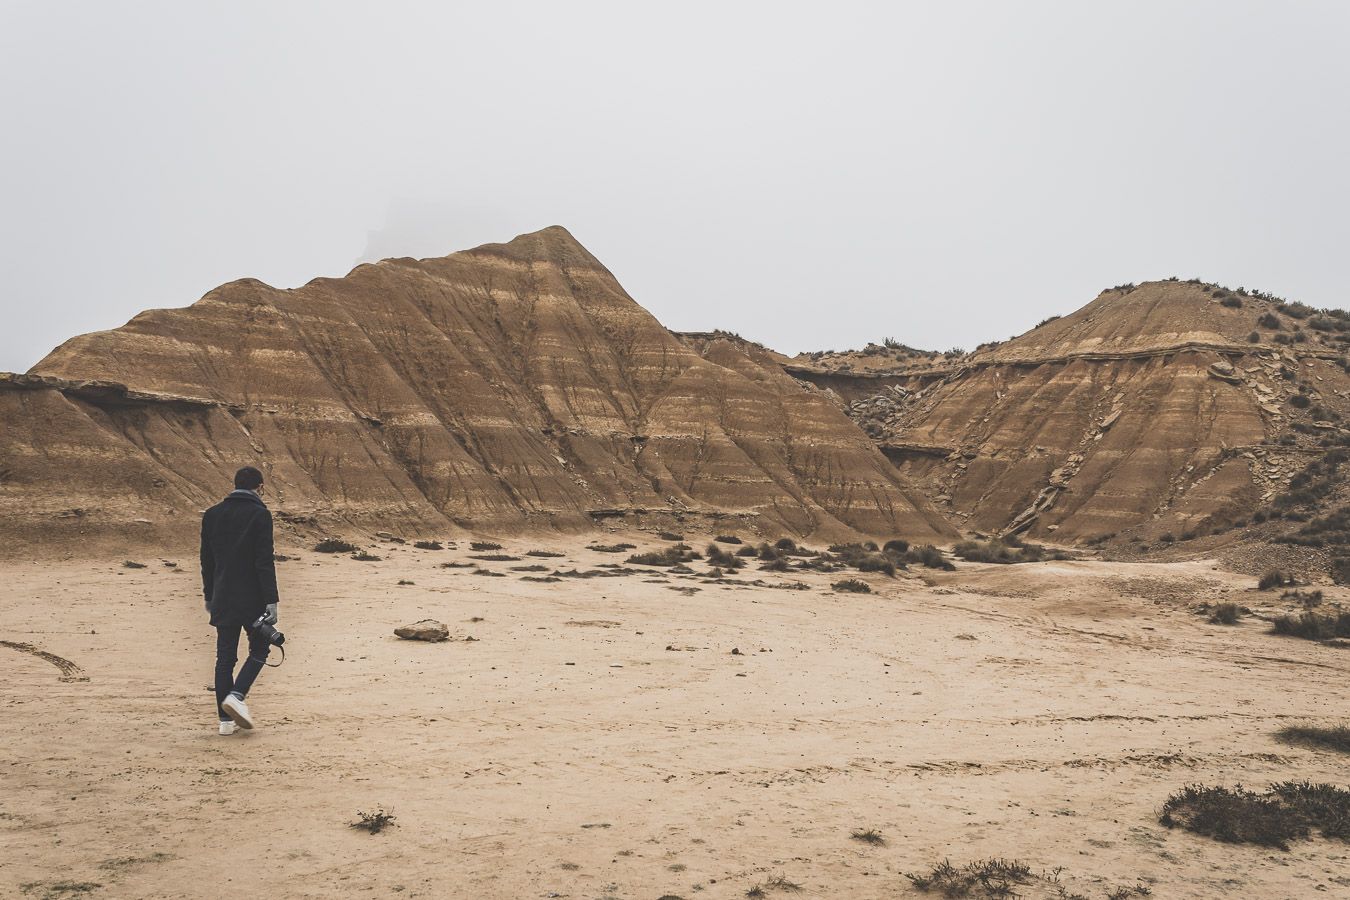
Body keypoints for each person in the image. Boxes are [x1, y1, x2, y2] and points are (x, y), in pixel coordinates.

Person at [200, 466, 279, 734]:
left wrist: (209, 595)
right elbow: (263, 561)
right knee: (259, 649)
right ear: (259, 487)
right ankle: (237, 695)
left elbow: (206, 561)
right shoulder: (260, 514)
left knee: (225, 658)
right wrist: (272, 600)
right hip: (252, 598)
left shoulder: (212, 515)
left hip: (222, 596)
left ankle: (225, 721)